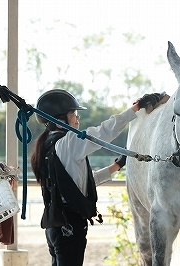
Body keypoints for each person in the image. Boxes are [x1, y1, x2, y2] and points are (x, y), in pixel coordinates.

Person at [30, 89, 162, 266]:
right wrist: (136, 108)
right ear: (60, 121)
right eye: (73, 114)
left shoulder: (47, 146)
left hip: (55, 226)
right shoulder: (69, 143)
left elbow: (81, 183)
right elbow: (104, 132)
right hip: (70, 225)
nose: (77, 118)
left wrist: (116, 167)